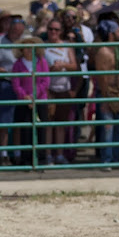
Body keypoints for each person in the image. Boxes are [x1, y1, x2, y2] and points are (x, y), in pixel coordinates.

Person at [0, 15, 24, 165]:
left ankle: (17, 153)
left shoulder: (25, 42)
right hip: (5, 84)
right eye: (14, 30)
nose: (17, 33)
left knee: (19, 122)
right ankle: (3, 154)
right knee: (4, 122)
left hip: (22, 85)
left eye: (19, 31)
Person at [93, 20, 119, 168]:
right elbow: (102, 76)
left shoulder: (116, 49)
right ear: (111, 34)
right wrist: (105, 98)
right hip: (107, 92)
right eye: (118, 31)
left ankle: (115, 158)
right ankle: (107, 159)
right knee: (108, 129)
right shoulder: (103, 51)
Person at [44, 18, 77, 165]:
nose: (53, 32)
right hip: (48, 89)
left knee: (61, 124)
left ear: (61, 32)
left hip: (63, 88)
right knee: (48, 124)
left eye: (56, 30)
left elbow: (74, 66)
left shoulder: (66, 46)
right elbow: (39, 68)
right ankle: (48, 155)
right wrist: (51, 69)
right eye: (51, 29)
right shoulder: (42, 47)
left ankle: (59, 154)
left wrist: (63, 65)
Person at [11, 37, 49, 164]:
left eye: (31, 47)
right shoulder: (18, 64)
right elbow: (16, 84)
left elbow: (45, 81)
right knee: (25, 131)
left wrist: (34, 95)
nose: (28, 50)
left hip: (40, 101)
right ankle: (26, 159)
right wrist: (25, 97)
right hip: (24, 102)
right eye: (26, 47)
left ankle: (41, 158)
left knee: (41, 130)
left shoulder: (42, 62)